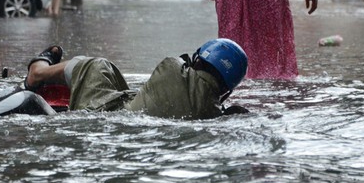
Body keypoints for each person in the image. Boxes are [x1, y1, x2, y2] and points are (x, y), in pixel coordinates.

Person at [24, 39, 249, 120]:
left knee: (97, 65)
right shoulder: (214, 115)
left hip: (106, 117)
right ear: (226, 90)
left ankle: (37, 73)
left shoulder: (172, 67)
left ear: (197, 61)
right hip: (132, 118)